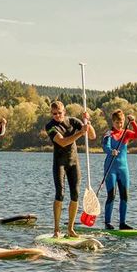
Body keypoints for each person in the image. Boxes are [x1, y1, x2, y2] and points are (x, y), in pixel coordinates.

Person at [45, 100, 95, 238]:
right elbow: (62, 142)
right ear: (51, 113)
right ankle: (56, 229)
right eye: (54, 113)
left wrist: (87, 124)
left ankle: (70, 229)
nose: (57, 116)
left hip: (74, 163)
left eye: (59, 113)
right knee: (60, 194)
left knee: (75, 195)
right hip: (59, 163)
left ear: (64, 112)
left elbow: (92, 136)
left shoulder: (73, 121)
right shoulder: (50, 126)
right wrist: (80, 133)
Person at [101, 109, 137, 230]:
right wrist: (111, 151)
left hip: (123, 169)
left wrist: (133, 122)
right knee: (111, 195)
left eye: (122, 122)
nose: (120, 125)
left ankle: (122, 223)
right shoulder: (108, 134)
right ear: (113, 122)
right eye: (117, 122)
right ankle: (108, 223)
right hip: (111, 168)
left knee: (125, 196)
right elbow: (105, 146)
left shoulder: (126, 133)